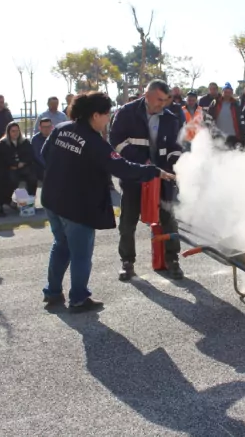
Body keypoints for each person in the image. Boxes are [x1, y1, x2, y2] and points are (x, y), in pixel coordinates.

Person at [41, 92, 175, 313]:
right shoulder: (95, 143)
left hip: (52, 200)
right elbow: (123, 168)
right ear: (95, 115)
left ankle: (53, 292)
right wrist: (154, 171)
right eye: (107, 115)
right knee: (81, 254)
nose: (108, 120)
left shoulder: (61, 129)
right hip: (76, 207)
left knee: (61, 245)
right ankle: (78, 299)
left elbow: (45, 154)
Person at [109, 79, 185, 281]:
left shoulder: (171, 118)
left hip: (163, 178)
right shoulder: (126, 113)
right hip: (134, 176)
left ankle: (172, 259)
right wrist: (144, 165)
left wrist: (173, 165)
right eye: (159, 99)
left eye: (165, 100)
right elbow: (116, 142)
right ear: (147, 94)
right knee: (128, 221)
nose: (162, 104)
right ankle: (127, 262)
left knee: (168, 218)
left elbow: (177, 146)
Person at [0, 122, 38, 197]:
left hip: (24, 166)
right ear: (8, 132)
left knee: (32, 179)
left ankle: (30, 201)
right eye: (13, 131)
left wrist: (23, 163)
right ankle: (14, 201)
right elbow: (3, 158)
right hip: (10, 168)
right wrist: (15, 164)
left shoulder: (25, 142)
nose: (15, 133)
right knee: (13, 181)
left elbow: (30, 155)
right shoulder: (3, 143)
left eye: (17, 131)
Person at [207, 82, 244, 149]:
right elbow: (209, 118)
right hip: (218, 136)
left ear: (232, 93)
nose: (227, 94)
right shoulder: (215, 103)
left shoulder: (236, 104)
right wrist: (209, 131)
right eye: (226, 92)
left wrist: (242, 135)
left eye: (229, 92)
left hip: (233, 136)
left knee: (232, 156)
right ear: (222, 92)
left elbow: (240, 120)